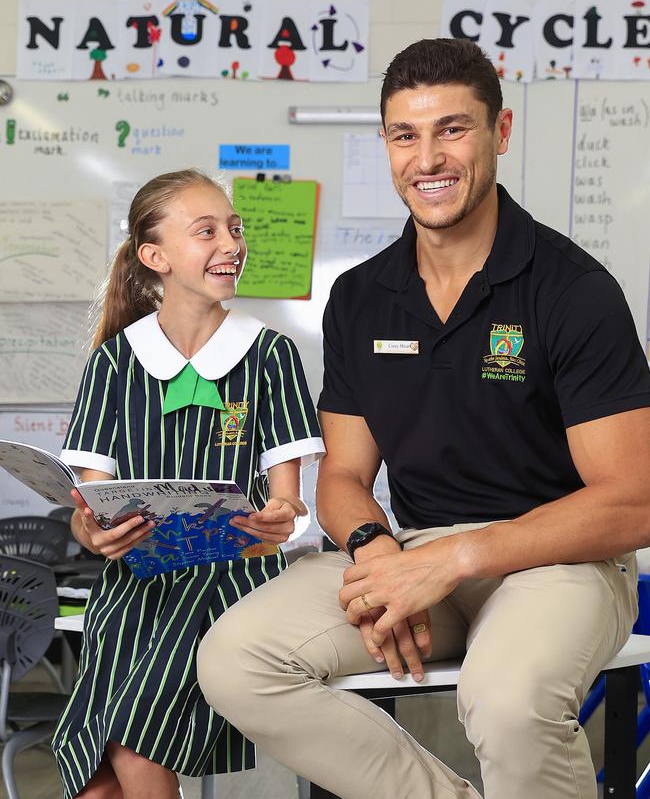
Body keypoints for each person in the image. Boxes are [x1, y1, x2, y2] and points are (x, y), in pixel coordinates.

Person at [196, 39, 650, 799]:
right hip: (414, 555)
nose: (427, 157)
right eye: (406, 135)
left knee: (507, 703)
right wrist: (377, 554)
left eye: (453, 129)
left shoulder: (574, 292)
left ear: (500, 133)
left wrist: (457, 559)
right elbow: (343, 474)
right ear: (386, 145)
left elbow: (633, 499)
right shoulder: (363, 296)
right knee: (236, 660)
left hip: (561, 564)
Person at [52, 169, 325, 799]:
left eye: (234, 228)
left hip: (230, 584)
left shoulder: (269, 355)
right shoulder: (116, 360)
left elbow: (289, 501)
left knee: (125, 737)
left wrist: (280, 519)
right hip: (133, 588)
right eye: (207, 231)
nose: (230, 243)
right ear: (156, 258)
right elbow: (89, 505)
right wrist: (94, 533)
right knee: (93, 779)